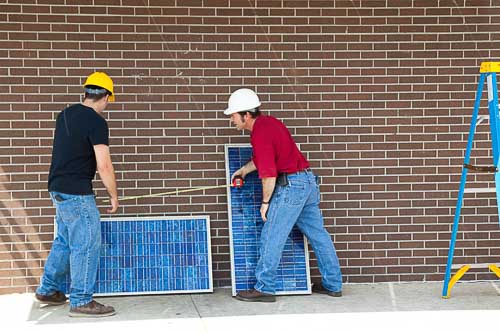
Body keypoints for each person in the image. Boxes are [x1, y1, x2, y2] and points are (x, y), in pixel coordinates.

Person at [225, 88, 343, 302]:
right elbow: (267, 158)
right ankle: (333, 284)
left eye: (233, 115)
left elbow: (269, 174)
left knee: (271, 235)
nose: (231, 120)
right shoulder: (270, 123)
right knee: (319, 235)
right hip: (307, 183)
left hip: (291, 187)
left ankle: (264, 288)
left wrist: (265, 203)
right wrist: (243, 170)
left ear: (246, 115)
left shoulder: (259, 133)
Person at [35, 72, 119, 317]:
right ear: (105, 96)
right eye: (107, 102)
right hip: (78, 194)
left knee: (64, 241)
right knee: (86, 244)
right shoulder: (96, 121)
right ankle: (82, 300)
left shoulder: (65, 115)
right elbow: (104, 165)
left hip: (58, 189)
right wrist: (114, 195)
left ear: (86, 92)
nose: (106, 107)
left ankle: (48, 289)